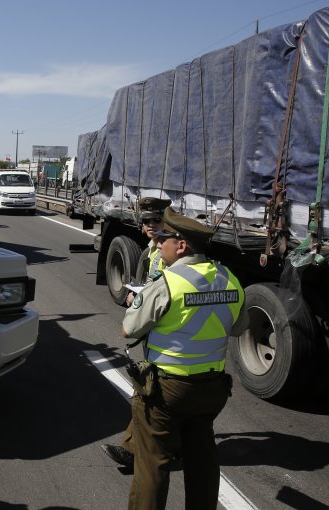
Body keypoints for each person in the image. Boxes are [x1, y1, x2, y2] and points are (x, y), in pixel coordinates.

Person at [121, 208, 248, 510]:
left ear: (181, 245)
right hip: (212, 389)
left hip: (168, 391)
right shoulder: (229, 278)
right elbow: (240, 327)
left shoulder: (168, 283)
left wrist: (136, 302)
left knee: (153, 464)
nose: (157, 242)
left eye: (163, 236)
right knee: (202, 460)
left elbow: (128, 329)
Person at [101, 196, 172, 468]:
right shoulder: (153, 251)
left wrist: (140, 303)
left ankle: (133, 452)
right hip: (155, 332)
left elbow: (166, 293)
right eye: (146, 221)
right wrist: (136, 297)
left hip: (165, 335)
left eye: (156, 220)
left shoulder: (170, 252)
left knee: (149, 394)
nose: (151, 226)